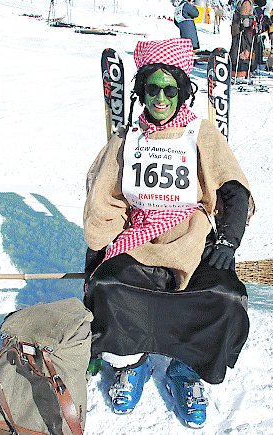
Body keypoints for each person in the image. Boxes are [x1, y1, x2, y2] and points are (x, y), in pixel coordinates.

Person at [83, 38, 254, 428]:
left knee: (222, 298)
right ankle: (132, 362)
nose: (160, 97)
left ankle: (186, 368)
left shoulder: (201, 133)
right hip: (138, 235)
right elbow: (104, 196)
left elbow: (233, 188)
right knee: (111, 288)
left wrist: (228, 239)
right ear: (141, 90)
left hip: (190, 235)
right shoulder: (128, 139)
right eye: (152, 88)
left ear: (182, 90)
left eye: (169, 88)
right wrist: (100, 247)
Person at [231, 0, 266, 78]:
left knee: (243, 50)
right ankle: (240, 72)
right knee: (242, 50)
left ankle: (244, 72)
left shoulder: (247, 2)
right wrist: (251, 26)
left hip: (240, 31)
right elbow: (245, 19)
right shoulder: (247, 2)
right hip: (241, 32)